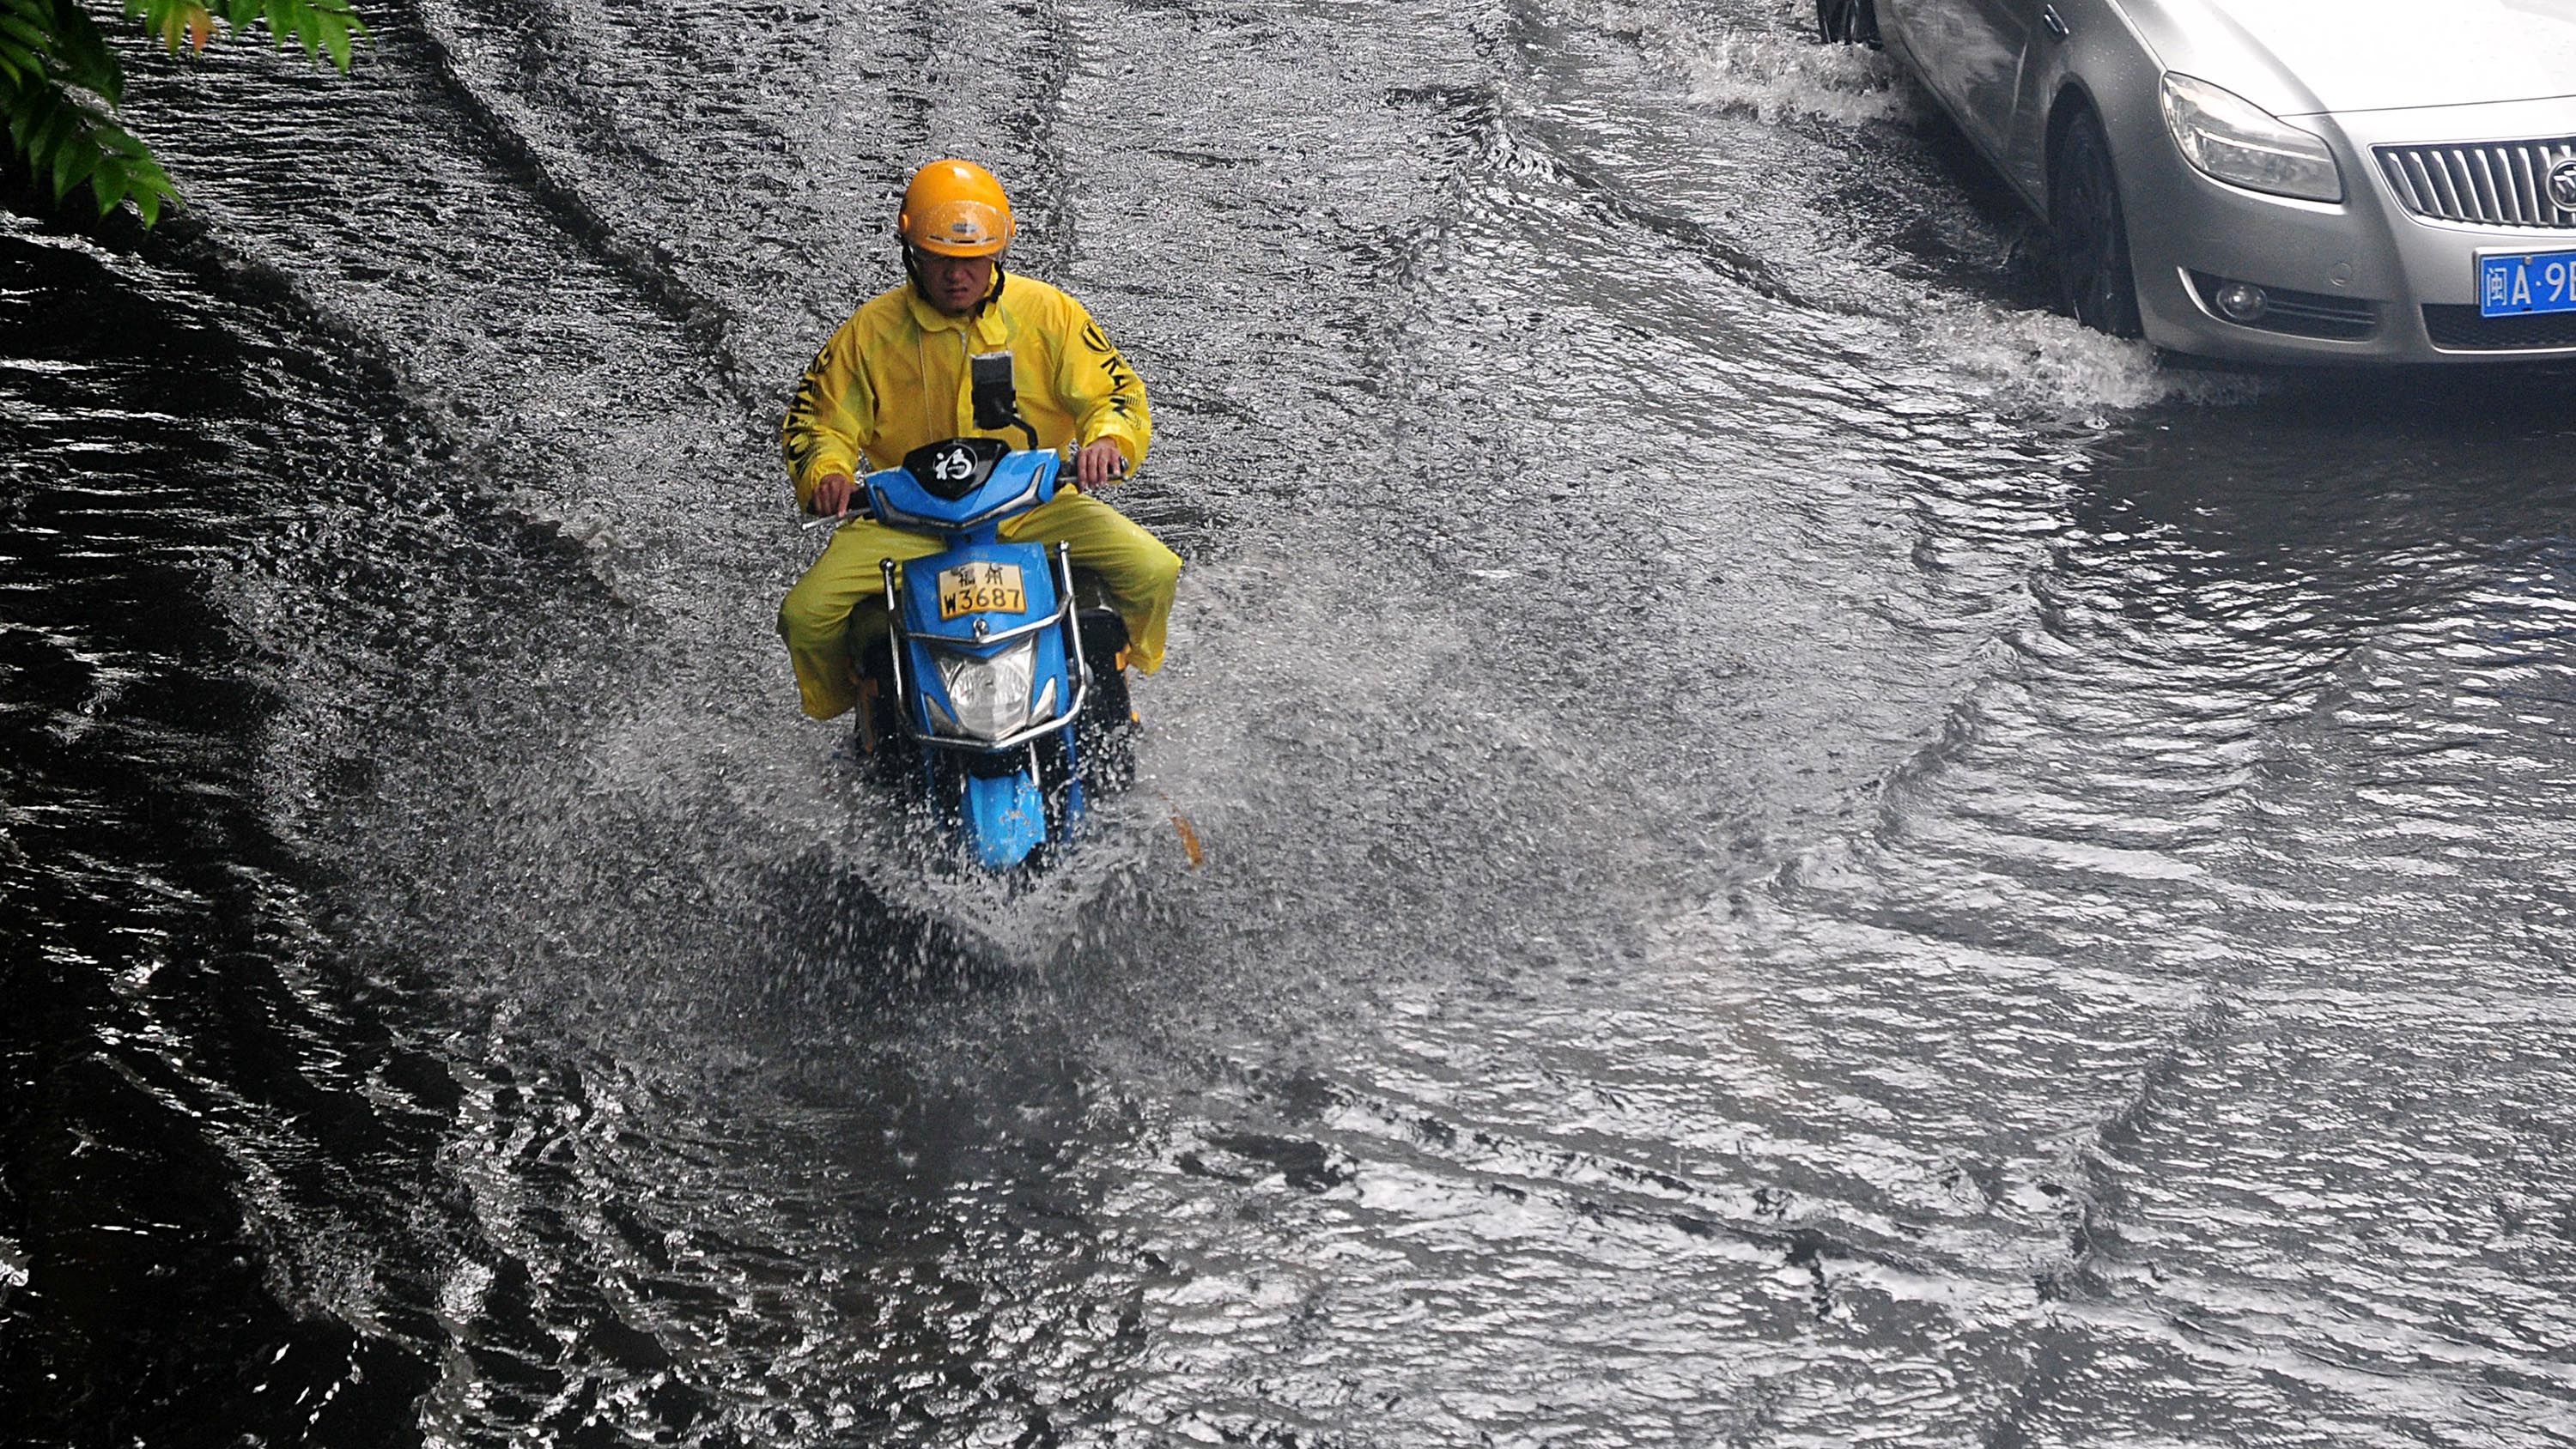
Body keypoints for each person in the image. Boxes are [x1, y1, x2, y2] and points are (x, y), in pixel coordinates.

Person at [777, 157, 1182, 724]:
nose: (956, 276)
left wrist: (1107, 440)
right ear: (911, 250)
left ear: (998, 254)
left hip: (1031, 507)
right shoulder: (868, 333)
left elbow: (1115, 394)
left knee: (1153, 569)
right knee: (806, 614)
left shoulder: (1050, 315)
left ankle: (1119, 671)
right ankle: (863, 705)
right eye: (941, 259)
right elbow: (816, 423)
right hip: (907, 522)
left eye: (972, 260)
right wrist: (826, 473)